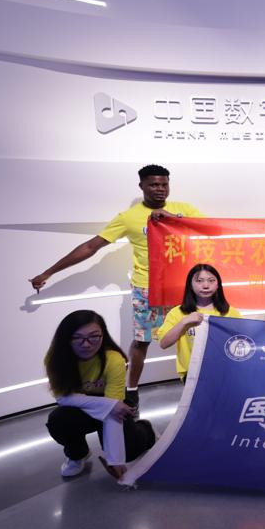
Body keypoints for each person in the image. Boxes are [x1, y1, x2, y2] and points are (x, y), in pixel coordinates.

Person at [29, 165, 203, 413]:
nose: (160, 189)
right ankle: (132, 391)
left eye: (164, 184)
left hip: (182, 288)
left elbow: (211, 230)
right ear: (141, 186)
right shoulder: (128, 217)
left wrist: (173, 219)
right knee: (141, 342)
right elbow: (91, 247)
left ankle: (198, 386)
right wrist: (49, 272)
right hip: (148, 290)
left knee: (192, 336)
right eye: (154, 184)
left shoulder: (184, 209)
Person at [44, 310, 156, 480]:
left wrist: (115, 459)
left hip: (113, 406)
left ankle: (146, 430)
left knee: (129, 451)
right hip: (82, 409)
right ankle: (77, 454)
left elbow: (114, 410)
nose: (86, 344)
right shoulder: (56, 359)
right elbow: (63, 398)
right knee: (58, 420)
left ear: (103, 335)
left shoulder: (114, 360)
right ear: (66, 338)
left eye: (94, 337)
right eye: (77, 338)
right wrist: (108, 405)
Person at [158, 264, 242, 380]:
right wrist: (184, 323)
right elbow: (164, 344)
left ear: (218, 284)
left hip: (225, 371)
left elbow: (245, 340)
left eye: (211, 280)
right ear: (190, 285)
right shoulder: (177, 313)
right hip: (193, 375)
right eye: (199, 281)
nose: (206, 286)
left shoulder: (230, 312)